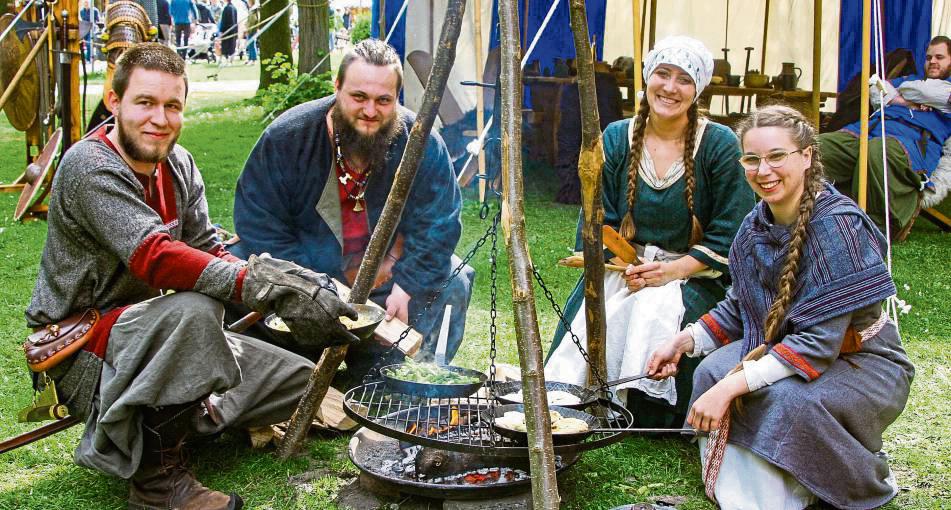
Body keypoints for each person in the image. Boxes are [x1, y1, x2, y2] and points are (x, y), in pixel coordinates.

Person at [25, 43, 360, 509]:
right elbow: (156, 258)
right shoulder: (89, 166)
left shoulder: (178, 165)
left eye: (172, 106)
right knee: (196, 310)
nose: (159, 119)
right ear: (114, 101)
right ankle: (157, 484)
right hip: (87, 347)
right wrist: (260, 285)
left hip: (157, 336)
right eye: (145, 102)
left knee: (302, 383)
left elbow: (208, 251)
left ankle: (185, 414)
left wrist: (288, 285)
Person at [647, 105, 915, 510]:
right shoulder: (755, 224)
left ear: (806, 156)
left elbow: (817, 344)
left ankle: (849, 475)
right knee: (711, 370)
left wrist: (731, 387)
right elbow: (741, 306)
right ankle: (755, 475)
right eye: (752, 159)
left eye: (777, 156)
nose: (763, 170)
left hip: (863, 361)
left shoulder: (838, 227)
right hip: (788, 346)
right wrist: (682, 342)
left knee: (786, 401)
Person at [232, 39, 474, 384]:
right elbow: (259, 224)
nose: (370, 111)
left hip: (386, 287)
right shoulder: (287, 138)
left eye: (383, 100)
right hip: (308, 284)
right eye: (358, 97)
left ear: (397, 99)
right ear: (337, 89)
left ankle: (391, 374)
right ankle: (296, 366)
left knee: (455, 276)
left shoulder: (420, 142)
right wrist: (315, 290)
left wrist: (407, 284)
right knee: (238, 263)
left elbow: (441, 223)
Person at [544, 36, 755, 427]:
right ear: (647, 79)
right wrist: (625, 266)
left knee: (654, 312)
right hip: (623, 269)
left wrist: (670, 272)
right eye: (662, 74)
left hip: (691, 274)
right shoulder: (616, 138)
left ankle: (646, 410)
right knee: (595, 325)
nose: (670, 88)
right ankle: (589, 399)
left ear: (698, 90)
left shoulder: (719, 145)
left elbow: (733, 231)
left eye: (684, 79)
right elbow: (596, 221)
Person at [818, 35, 951, 239]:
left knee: (878, 150)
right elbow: (875, 87)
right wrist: (908, 102)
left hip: (912, 142)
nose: (932, 61)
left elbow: (933, 93)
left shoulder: (934, 86)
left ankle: (876, 226)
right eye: (928, 57)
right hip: (866, 132)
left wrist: (897, 96)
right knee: (818, 147)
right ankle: (813, 211)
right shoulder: (910, 79)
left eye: (939, 57)